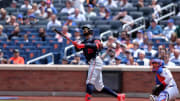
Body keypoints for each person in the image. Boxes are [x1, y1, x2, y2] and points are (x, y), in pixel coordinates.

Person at [71, 25, 125, 101]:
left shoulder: (95, 39)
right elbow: (77, 49)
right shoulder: (83, 41)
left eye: (87, 30)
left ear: (90, 32)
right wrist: (76, 45)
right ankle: (118, 96)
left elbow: (96, 46)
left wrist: (82, 45)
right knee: (99, 87)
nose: (85, 32)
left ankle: (87, 99)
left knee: (89, 81)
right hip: (93, 62)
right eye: (84, 30)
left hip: (95, 60)